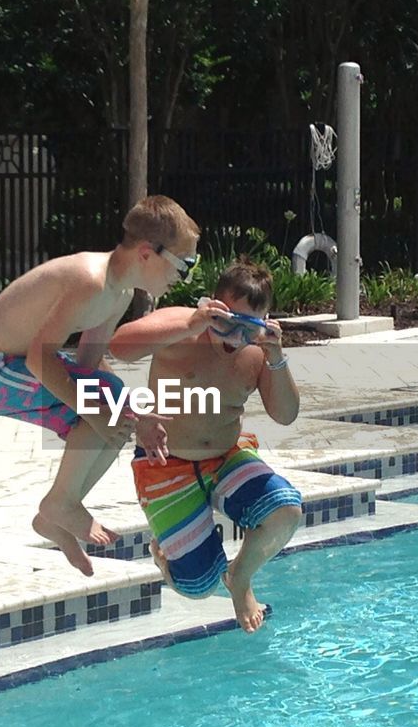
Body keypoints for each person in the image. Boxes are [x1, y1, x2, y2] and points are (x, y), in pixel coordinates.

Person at [0, 195, 201, 576]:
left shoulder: (119, 293)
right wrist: (95, 408)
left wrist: (132, 416)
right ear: (146, 253)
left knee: (115, 406)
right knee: (107, 403)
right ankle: (61, 503)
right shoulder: (91, 281)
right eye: (184, 264)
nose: (183, 276)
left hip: (20, 365)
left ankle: (55, 514)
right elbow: (40, 358)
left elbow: (88, 368)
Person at [109, 260, 303, 633]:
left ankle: (240, 579)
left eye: (248, 328)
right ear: (211, 306)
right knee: (196, 586)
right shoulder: (182, 325)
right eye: (226, 321)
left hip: (225, 457)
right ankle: (166, 555)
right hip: (165, 462)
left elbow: (286, 415)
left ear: (263, 323)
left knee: (286, 511)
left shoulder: (259, 351)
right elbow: (118, 346)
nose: (234, 336)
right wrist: (191, 323)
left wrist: (277, 358)